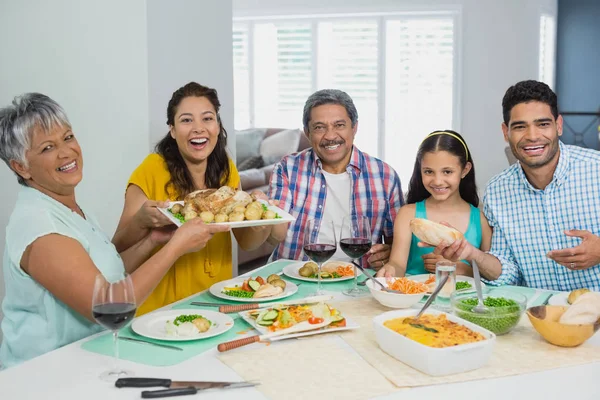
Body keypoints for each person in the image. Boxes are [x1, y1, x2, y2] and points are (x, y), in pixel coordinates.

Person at [0, 93, 229, 368]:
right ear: (20, 167)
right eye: (47, 148)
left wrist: (153, 241)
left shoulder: (67, 208)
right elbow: (109, 304)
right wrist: (175, 248)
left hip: (91, 358)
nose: (66, 152)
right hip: (44, 373)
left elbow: (105, 276)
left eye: (68, 137)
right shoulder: (41, 227)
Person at [113, 82, 278, 315]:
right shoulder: (150, 170)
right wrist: (141, 221)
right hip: (160, 312)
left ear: (218, 125)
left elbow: (246, 242)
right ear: (172, 130)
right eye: (186, 120)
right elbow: (116, 252)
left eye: (207, 118)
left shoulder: (225, 169)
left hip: (215, 303)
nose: (198, 128)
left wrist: (263, 214)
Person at [434, 80, 600, 291]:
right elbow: (508, 273)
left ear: (558, 125)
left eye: (542, 124)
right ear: (506, 132)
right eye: (520, 126)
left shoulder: (596, 170)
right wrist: (470, 253)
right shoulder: (497, 191)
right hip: (538, 316)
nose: (532, 136)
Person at [266, 89, 403, 268]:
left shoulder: (385, 176)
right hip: (294, 277)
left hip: (357, 280)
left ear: (354, 128)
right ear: (307, 132)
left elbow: (398, 243)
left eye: (339, 125)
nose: (330, 136)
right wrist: (265, 214)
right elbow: (276, 235)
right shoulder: (287, 169)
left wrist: (389, 252)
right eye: (319, 127)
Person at [376, 130, 491, 278]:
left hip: (464, 300)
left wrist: (459, 268)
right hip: (416, 299)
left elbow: (489, 275)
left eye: (447, 172)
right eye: (429, 172)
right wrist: (390, 270)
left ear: (465, 170)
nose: (437, 181)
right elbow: (397, 264)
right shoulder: (408, 214)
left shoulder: (480, 220)